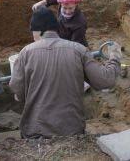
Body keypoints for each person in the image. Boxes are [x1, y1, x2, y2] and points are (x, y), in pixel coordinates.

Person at [9, 7, 121, 138]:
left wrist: (22, 94)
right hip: (71, 132)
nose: (33, 36)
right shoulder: (79, 50)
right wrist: (115, 56)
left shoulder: (25, 53)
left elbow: (18, 92)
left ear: (39, 30)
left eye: (33, 31)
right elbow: (105, 80)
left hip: (35, 132)